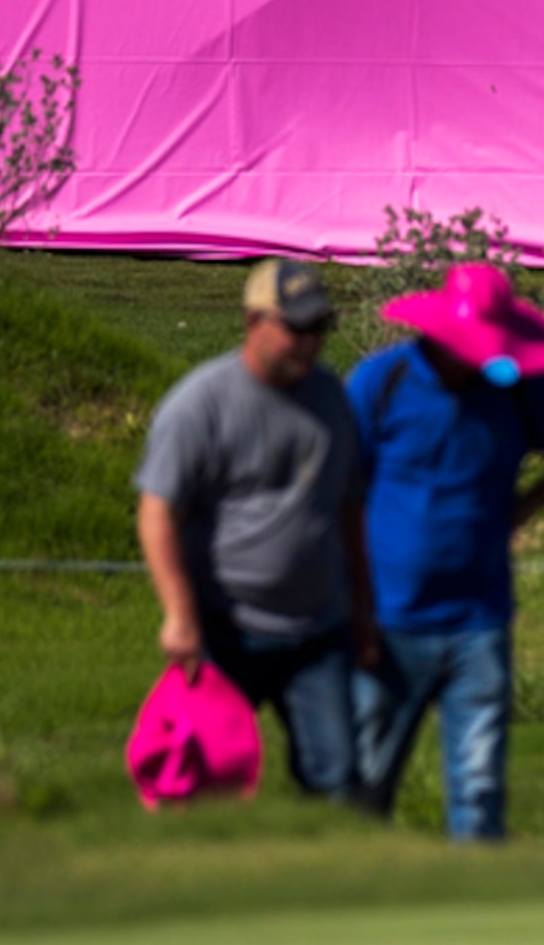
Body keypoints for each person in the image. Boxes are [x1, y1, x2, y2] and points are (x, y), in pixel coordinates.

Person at [346, 262, 544, 842]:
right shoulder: (382, 383)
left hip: (479, 620)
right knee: (363, 781)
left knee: (478, 786)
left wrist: (526, 507)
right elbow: (338, 488)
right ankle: (350, 897)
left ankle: (477, 903)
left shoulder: (515, 389)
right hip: (388, 619)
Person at [134, 258, 379, 807]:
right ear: (253, 322)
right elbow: (156, 513)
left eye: (318, 329)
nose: (307, 343)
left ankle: (328, 882)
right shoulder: (200, 404)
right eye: (295, 328)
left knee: (338, 781)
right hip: (224, 631)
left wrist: (364, 613)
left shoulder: (332, 400)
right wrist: (179, 614)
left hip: (318, 630)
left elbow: (348, 512)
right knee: (197, 782)